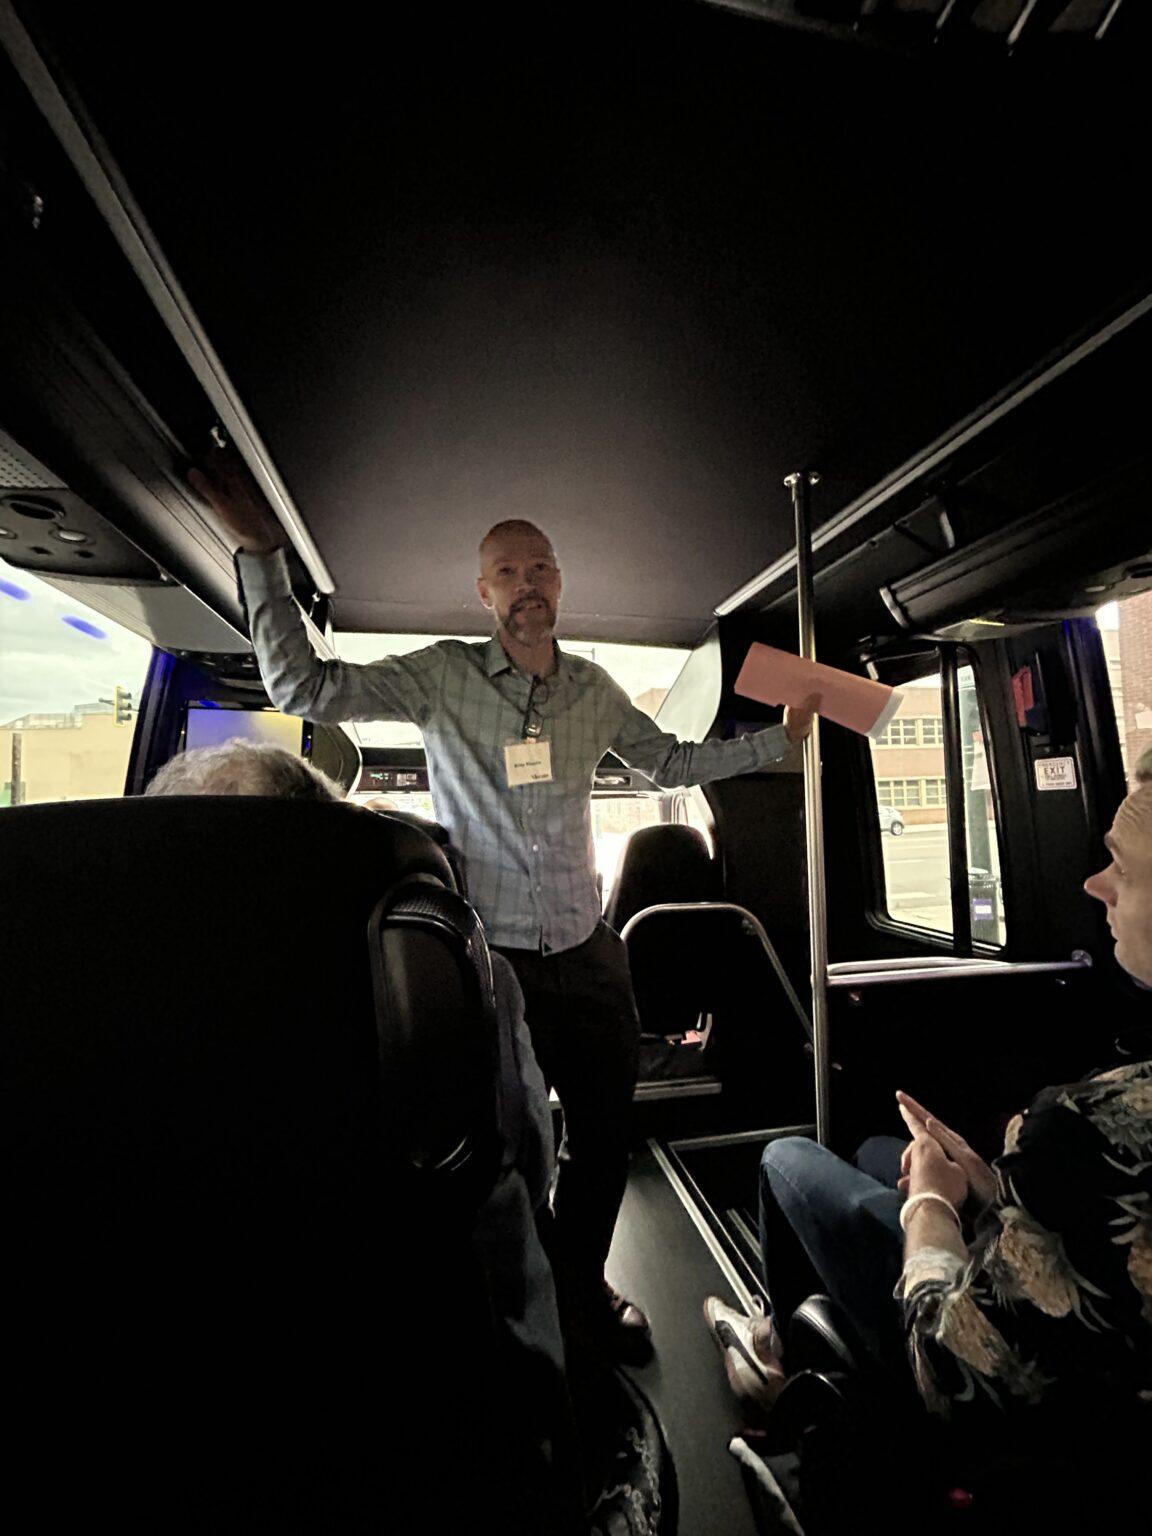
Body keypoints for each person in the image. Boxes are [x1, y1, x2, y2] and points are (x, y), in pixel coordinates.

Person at [189, 450, 819, 1355]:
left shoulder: (594, 691)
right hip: (492, 960)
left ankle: (580, 1288)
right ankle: (519, 1309)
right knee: (508, 1146)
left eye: (542, 567)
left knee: (603, 1141)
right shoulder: (440, 676)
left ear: (560, 582)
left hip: (588, 952)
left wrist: (778, 743)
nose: (530, 584)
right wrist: (260, 554)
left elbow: (671, 764)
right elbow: (305, 688)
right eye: (509, 571)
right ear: (483, 593)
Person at [706, 781, 1152, 1440]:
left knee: (785, 1159)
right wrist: (990, 1183)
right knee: (877, 1152)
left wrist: (932, 1206)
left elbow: (951, 1368)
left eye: (1123, 868)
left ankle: (779, 1359)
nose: (1095, 884)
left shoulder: (1085, 1124)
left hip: (1043, 1421)